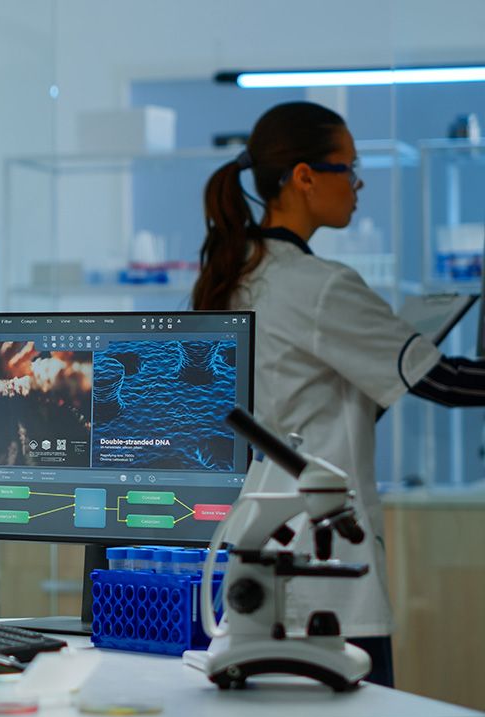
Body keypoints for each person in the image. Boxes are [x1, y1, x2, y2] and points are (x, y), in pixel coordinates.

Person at [192, 100, 485, 687]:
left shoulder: (239, 273)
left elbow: (299, 409)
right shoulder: (319, 287)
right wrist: (414, 358)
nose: (357, 185)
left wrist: (386, 365)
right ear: (304, 177)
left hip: (258, 554)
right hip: (327, 571)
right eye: (347, 169)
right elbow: (448, 384)